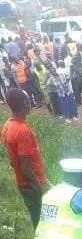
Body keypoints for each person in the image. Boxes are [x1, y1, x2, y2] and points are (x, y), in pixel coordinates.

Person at [1, 89, 48, 229]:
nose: (31, 103)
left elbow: (12, 159)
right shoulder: (22, 131)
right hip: (33, 184)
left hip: (22, 182)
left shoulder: (7, 125)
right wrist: (38, 188)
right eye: (29, 100)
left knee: (36, 216)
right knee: (42, 221)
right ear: (25, 104)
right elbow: (25, 168)